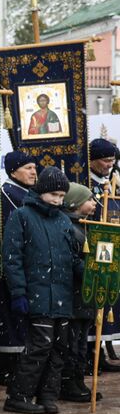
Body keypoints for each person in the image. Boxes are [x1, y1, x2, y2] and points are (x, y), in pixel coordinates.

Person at [2, 166, 81, 414]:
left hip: (62, 295)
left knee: (59, 348)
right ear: (42, 192)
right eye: (54, 195)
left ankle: (48, 395)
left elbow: (73, 257)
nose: (58, 200)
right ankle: (19, 395)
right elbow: (12, 258)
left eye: (61, 196)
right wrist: (18, 292)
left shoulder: (63, 221)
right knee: (40, 346)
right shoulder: (22, 216)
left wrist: (92, 274)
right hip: (37, 294)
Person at [0, 153, 36, 386]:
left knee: (20, 323)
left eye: (35, 167)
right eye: (28, 168)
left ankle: (15, 367)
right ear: (13, 171)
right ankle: (5, 370)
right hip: (8, 266)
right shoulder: (4, 194)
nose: (34, 172)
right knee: (9, 321)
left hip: (27, 266)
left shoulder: (27, 194)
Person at [60, 183, 102, 405]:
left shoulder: (84, 226)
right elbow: (72, 260)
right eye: (89, 200)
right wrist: (90, 270)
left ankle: (78, 380)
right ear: (75, 203)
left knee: (82, 341)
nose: (94, 204)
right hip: (74, 294)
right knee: (72, 342)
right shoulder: (68, 227)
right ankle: (68, 382)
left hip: (85, 295)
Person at [86, 138, 120, 368]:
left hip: (112, 249)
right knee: (92, 299)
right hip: (93, 248)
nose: (109, 165)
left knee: (109, 302)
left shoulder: (114, 180)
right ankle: (89, 354)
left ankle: (101, 352)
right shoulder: (84, 181)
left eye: (112, 160)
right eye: (105, 160)